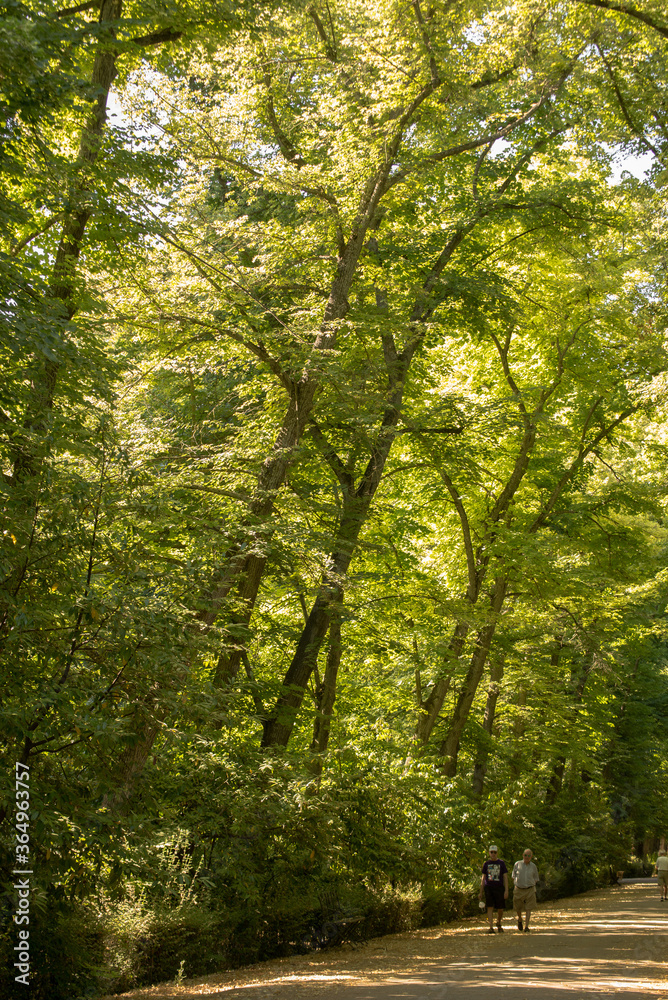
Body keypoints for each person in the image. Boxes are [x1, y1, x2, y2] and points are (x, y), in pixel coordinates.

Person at [480, 844, 508, 933]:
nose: (493, 854)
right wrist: (480, 891)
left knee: (500, 908)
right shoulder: (486, 864)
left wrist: (506, 890)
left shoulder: (501, 863)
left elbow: (505, 877)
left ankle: (498, 922)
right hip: (489, 887)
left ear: (497, 853)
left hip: (499, 887)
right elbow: (483, 878)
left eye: (495, 852)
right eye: (491, 852)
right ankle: (490, 927)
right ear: (489, 853)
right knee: (490, 907)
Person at [512, 848, 539, 932]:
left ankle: (526, 926)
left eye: (528, 855)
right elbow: (513, 876)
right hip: (519, 889)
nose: (526, 857)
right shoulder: (517, 864)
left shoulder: (533, 866)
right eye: (525, 855)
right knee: (518, 907)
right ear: (523, 855)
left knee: (528, 908)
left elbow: (536, 878)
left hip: (530, 889)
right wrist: (516, 884)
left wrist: (531, 884)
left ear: (531, 857)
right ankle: (520, 919)